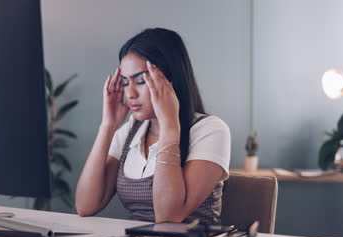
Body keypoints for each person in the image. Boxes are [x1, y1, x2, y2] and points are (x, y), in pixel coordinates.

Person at [76, 28, 231, 225]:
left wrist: (169, 126)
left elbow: (168, 216)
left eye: (140, 81)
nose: (130, 93)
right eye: (125, 82)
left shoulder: (210, 130)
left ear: (170, 80)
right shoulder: (132, 130)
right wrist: (108, 126)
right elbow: (86, 205)